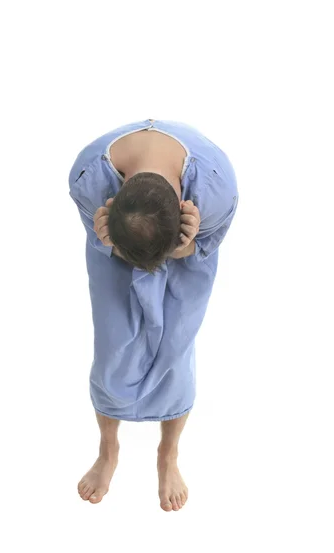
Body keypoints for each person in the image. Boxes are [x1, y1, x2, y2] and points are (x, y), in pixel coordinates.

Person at [68, 119, 238, 511]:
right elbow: (93, 232)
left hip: (187, 245)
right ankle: (108, 450)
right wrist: (106, 240)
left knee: (175, 346)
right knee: (114, 347)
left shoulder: (216, 187)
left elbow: (213, 238)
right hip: (117, 244)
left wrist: (187, 248)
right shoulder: (88, 179)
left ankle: (168, 454)